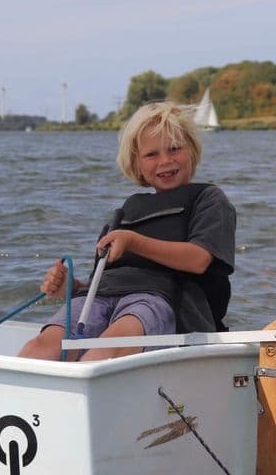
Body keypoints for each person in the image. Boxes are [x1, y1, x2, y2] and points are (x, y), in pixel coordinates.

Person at [18, 101, 236, 362]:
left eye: (174, 149)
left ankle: (88, 383)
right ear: (137, 163)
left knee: (107, 349)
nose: (165, 160)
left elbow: (199, 259)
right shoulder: (125, 213)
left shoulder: (208, 199)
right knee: (39, 349)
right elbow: (104, 281)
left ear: (191, 149)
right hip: (99, 297)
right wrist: (71, 287)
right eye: (151, 154)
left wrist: (133, 242)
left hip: (161, 299)